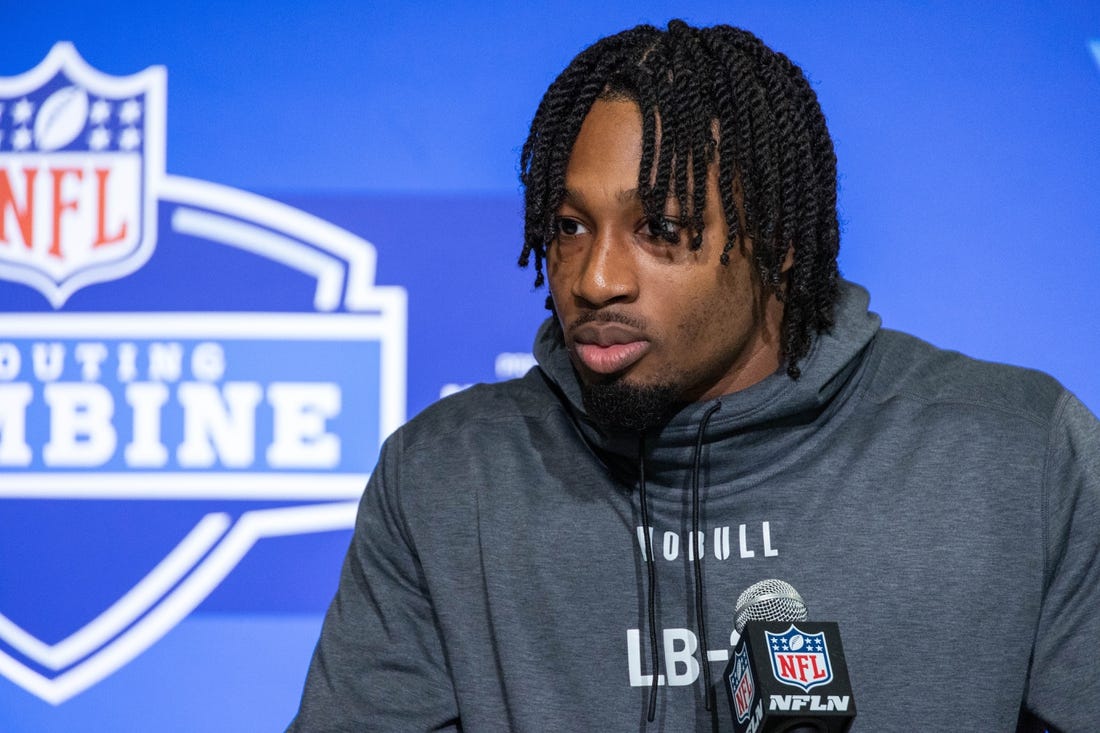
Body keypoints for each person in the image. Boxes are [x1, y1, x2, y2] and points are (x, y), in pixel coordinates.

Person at [289, 20, 1099, 732]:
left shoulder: (1020, 454)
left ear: (778, 241)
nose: (596, 278)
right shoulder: (446, 477)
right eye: (571, 226)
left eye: (660, 229)